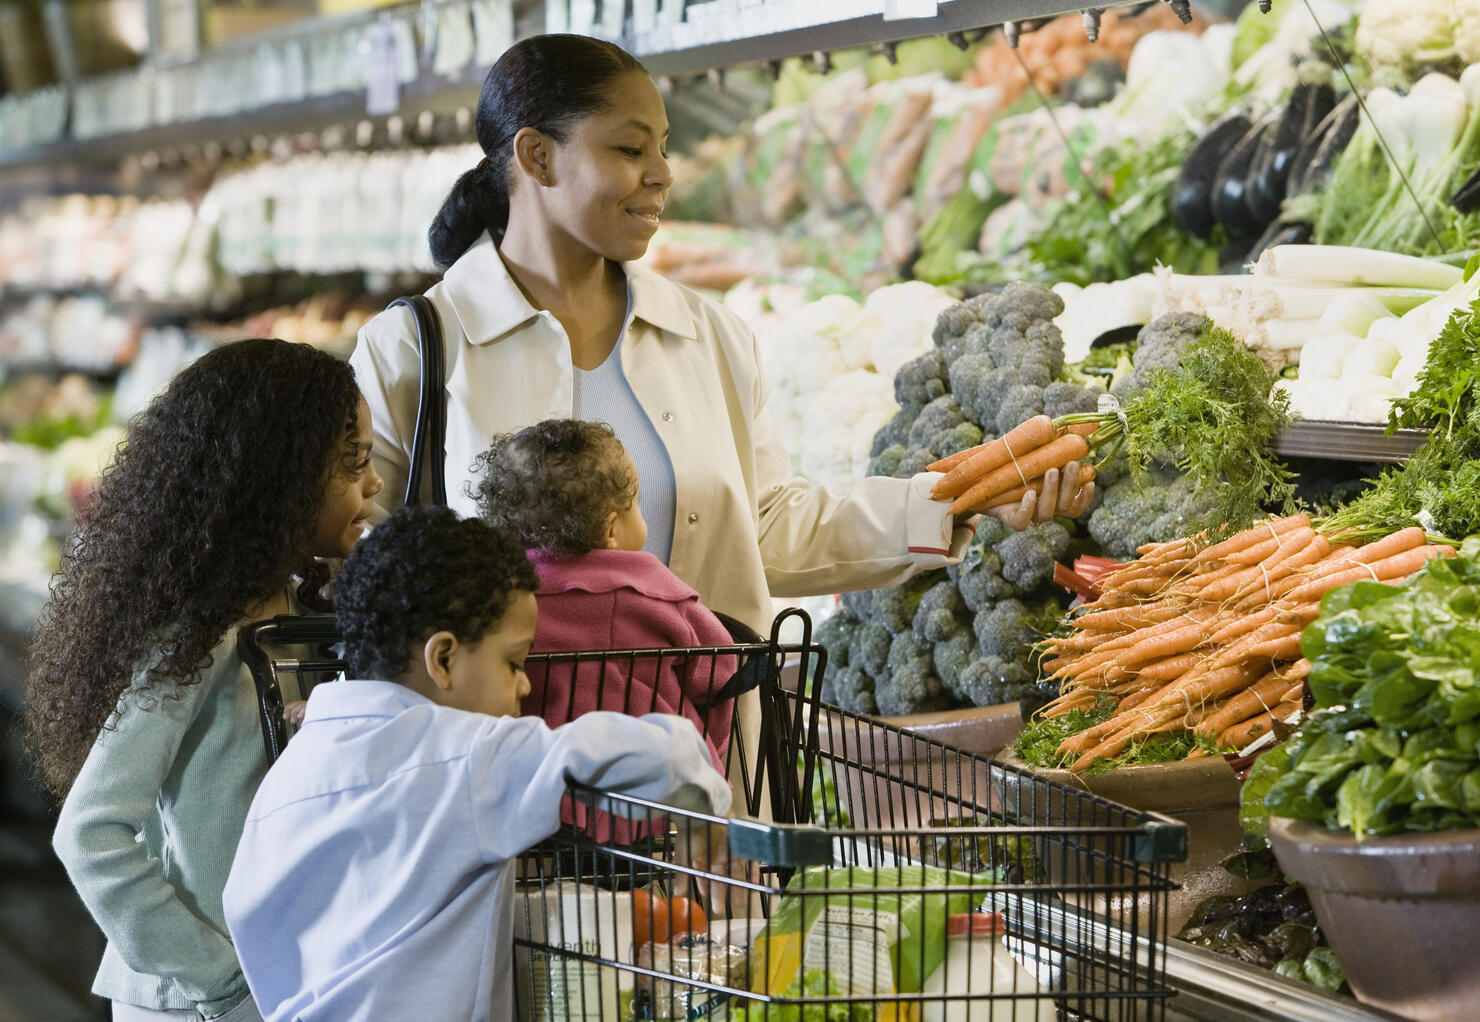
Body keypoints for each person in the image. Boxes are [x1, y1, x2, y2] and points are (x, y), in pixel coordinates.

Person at [349, 33, 1092, 643]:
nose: (662, 175)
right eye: (630, 150)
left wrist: (958, 502)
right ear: (539, 157)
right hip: (504, 781)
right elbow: (360, 571)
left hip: (699, 767)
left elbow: (766, 529)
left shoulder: (705, 335)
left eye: (663, 149)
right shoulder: (413, 349)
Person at [221, 505, 731, 1022]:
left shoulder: (293, 768)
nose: (526, 684)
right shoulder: (469, 754)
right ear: (442, 659)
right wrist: (700, 805)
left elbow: (249, 913)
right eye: (513, 662)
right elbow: (661, 752)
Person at [26, 339, 384, 1022]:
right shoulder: (199, 635)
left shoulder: (302, 607)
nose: (371, 485)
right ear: (280, 478)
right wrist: (218, 978)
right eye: (354, 463)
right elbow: (92, 832)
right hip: (195, 1003)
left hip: (279, 986)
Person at [474, 418, 737, 766]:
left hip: (542, 777)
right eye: (636, 503)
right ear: (611, 529)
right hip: (659, 783)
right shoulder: (655, 591)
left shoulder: (500, 598)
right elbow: (720, 669)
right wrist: (711, 749)